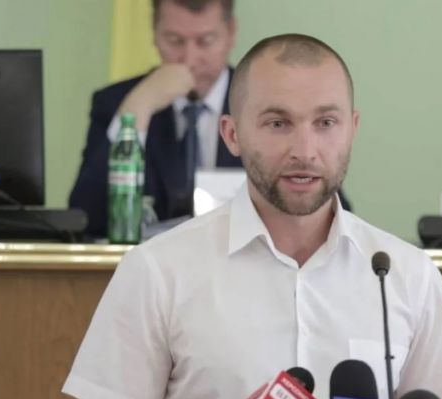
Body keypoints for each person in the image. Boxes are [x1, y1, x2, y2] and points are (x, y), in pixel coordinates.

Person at [62, 34, 442, 399]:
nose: (304, 150)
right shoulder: (157, 271)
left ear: (352, 129)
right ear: (232, 134)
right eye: (278, 123)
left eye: (326, 123)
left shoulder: (408, 275)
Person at [68, 0, 353, 238]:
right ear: (154, 34)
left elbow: (331, 214)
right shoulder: (119, 102)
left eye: (205, 41)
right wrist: (137, 111)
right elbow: (85, 217)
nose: (190, 58)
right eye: (175, 41)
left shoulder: (266, 102)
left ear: (230, 33)